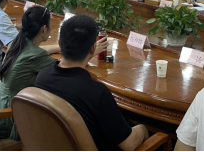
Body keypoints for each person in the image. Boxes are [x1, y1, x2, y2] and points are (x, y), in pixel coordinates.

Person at [36, 15, 148, 151]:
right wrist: (143, 129)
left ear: (59, 43)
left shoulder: (42, 77)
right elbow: (128, 145)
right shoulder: (97, 93)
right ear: (93, 49)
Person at [0, 6, 61, 141]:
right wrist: (88, 53)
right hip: (10, 116)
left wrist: (59, 47)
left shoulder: (17, 42)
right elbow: (64, 68)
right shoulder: (36, 55)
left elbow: (39, 51)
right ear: (44, 28)